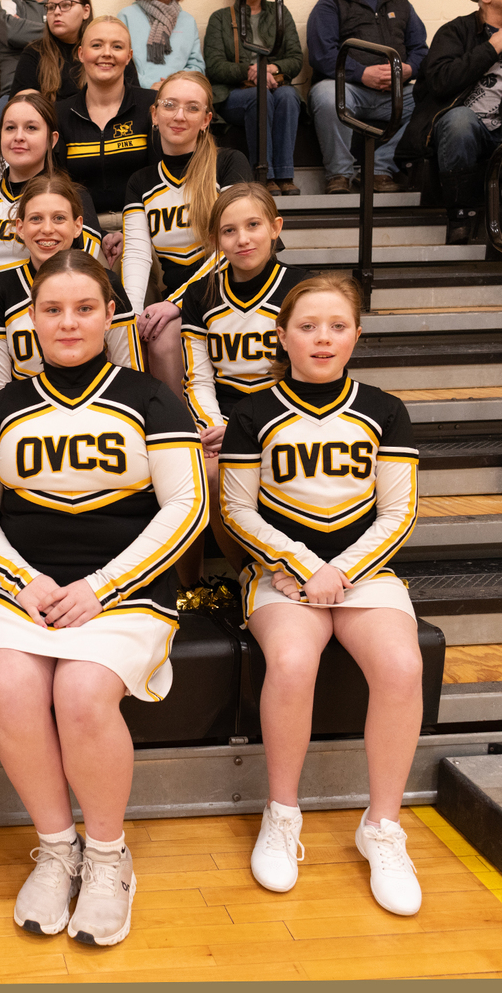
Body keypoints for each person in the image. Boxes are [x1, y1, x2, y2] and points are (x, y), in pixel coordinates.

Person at [0, 249, 207, 946]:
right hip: (28, 589)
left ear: (111, 315)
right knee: (9, 684)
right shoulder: (2, 409)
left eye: (83, 308)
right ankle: (56, 847)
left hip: (124, 592)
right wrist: (25, 582)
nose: (67, 321)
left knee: (79, 693)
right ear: (31, 321)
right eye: (52, 309)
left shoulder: (152, 399)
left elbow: (187, 507)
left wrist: (103, 588)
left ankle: (107, 857)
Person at [220, 273, 424, 917]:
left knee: (402, 665)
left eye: (337, 325)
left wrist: (343, 572)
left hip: (366, 575)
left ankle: (382, 827)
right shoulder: (254, 411)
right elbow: (237, 509)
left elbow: (399, 513)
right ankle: (282, 814)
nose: (323, 338)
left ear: (357, 334)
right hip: (281, 576)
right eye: (307, 326)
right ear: (282, 335)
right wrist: (304, 565)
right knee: (291, 661)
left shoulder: (385, 409)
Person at [178, 182, 308, 581]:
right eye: (229, 230)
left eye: (253, 225)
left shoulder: (301, 287)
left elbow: (309, 371)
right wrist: (216, 426)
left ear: (275, 227)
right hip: (224, 416)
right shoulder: (201, 293)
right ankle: (229, 579)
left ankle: (283, 573)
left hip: (290, 413)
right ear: (216, 238)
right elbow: (199, 379)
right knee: (202, 472)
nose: (242, 239)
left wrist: (245, 430)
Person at [122, 71, 251, 394]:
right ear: (154, 114)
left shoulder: (229, 163)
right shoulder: (140, 181)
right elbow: (137, 254)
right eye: (170, 105)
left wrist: (177, 302)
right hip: (176, 299)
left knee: (167, 336)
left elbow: (236, 246)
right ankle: (181, 434)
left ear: (206, 119)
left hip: (233, 291)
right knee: (153, 337)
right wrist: (131, 315)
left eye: (192, 108)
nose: (179, 116)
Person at [0, 93, 102, 335]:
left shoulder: (73, 197)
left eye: (31, 128)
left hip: (36, 313)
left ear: (52, 139)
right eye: (10, 128)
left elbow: (84, 268)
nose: (18, 137)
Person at [0, 173, 142, 396]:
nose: (47, 229)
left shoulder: (107, 283)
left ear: (78, 226)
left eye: (59, 218)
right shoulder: (0, 290)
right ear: (20, 227)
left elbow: (130, 375)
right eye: (36, 218)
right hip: (27, 416)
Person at [398, 0, 502, 243]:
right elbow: (440, 82)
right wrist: (492, 47)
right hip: (464, 127)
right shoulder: (456, 31)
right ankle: (460, 216)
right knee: (460, 121)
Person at [306, 0, 427, 194]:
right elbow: (322, 55)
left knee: (433, 99)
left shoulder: (399, 1)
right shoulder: (332, 2)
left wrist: (408, 70)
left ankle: (379, 169)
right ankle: (340, 174)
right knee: (325, 94)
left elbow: (420, 49)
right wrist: (362, 73)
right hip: (349, 89)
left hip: (395, 93)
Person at [54, 15, 160, 251]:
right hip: (80, 228)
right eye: (97, 45)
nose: (107, 53)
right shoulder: (59, 113)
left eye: (117, 46)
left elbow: (159, 179)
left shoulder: (151, 105)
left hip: (145, 224)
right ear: (81, 54)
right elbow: (60, 187)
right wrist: (96, 234)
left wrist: (131, 233)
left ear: (129, 56)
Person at [203, 0, 303, 196]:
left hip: (274, 86)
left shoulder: (281, 13)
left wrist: (271, 68)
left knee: (290, 97)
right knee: (259, 97)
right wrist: (250, 71)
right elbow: (215, 66)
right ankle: (262, 174)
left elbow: (296, 59)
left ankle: (285, 175)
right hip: (234, 92)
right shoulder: (220, 18)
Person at [11, 0, 140, 102]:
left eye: (66, 5)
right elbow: (19, 106)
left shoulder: (109, 52)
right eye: (51, 7)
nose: (56, 12)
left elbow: (135, 99)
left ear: (86, 11)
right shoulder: (34, 52)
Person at [118, 0, 205, 91]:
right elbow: (119, 63)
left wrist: (173, 83)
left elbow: (197, 66)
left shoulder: (188, 21)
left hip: (179, 93)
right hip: (138, 93)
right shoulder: (127, 16)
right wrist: (148, 85)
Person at [0, 0, 52, 127]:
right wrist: (57, 32)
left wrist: (26, 30)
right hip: (14, 93)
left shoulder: (58, 5)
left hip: (56, 89)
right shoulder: (9, 4)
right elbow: (12, 31)